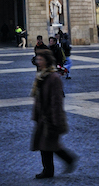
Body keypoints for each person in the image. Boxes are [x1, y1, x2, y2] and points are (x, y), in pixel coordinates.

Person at [30, 49, 77, 179]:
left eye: (40, 59)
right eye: (37, 59)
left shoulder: (54, 78)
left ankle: (68, 160)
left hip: (50, 117)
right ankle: (49, 170)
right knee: (45, 145)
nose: (38, 61)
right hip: (42, 116)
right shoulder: (41, 75)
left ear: (47, 61)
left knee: (50, 145)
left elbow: (57, 101)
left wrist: (55, 121)